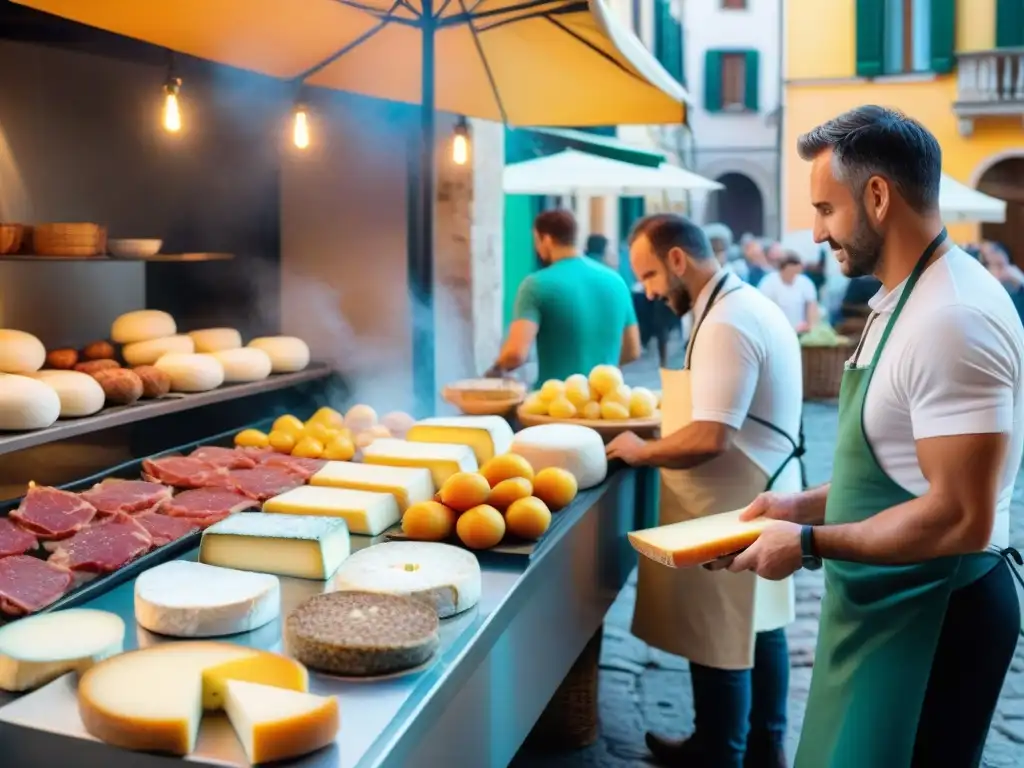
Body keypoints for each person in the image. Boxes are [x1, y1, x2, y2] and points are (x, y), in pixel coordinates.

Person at [729, 105, 1024, 768]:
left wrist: (805, 544)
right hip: (884, 605)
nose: (815, 231)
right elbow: (892, 474)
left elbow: (959, 516)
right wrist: (794, 507)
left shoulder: (954, 318)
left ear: (878, 195)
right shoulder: (902, 296)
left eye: (825, 209)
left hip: (933, 617)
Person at [605, 213, 805, 768]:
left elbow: (713, 435)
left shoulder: (726, 321)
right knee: (759, 627)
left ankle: (721, 753)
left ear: (677, 260)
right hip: (758, 485)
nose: (645, 291)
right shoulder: (738, 303)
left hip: (737, 496)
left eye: (647, 275)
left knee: (726, 636)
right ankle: (760, 748)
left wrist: (641, 451)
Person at [486, 210, 640, 382]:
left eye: (536, 241)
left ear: (547, 239)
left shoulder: (536, 285)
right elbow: (632, 350)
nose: (537, 247)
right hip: (604, 401)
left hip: (556, 402)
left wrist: (495, 370)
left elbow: (515, 353)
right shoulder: (616, 281)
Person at [756, 252, 820, 332]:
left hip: (800, 331)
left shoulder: (806, 283)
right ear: (782, 269)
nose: (793, 275)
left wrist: (811, 327)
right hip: (776, 331)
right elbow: (762, 310)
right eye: (790, 271)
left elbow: (812, 307)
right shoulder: (768, 283)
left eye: (796, 272)